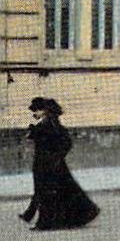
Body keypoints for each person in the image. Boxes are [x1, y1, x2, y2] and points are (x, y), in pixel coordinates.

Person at [19, 98, 99, 230]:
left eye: (37, 110)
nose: (34, 113)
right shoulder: (46, 123)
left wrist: (56, 157)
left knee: (48, 193)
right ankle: (44, 220)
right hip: (44, 163)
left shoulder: (52, 123)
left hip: (50, 165)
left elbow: (64, 142)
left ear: (45, 110)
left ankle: (45, 222)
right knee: (49, 192)